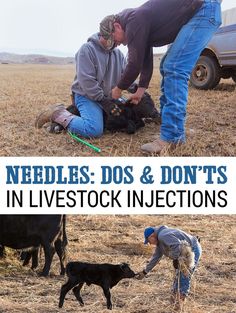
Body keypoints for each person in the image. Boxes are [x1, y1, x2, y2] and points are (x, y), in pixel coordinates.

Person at [99, 0, 222, 154]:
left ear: (116, 26)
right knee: (166, 65)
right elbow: (145, 60)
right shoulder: (137, 21)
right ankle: (172, 126)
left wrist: (118, 89)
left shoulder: (134, 20)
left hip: (203, 9)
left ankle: (172, 136)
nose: (119, 44)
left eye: (115, 40)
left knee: (174, 67)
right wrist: (140, 91)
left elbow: (134, 63)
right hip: (201, 10)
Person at [35, 33, 126, 138]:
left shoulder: (119, 55)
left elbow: (124, 77)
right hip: (87, 96)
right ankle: (58, 114)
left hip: (106, 97)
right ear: (107, 34)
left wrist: (137, 89)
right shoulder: (87, 49)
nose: (120, 43)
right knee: (93, 129)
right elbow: (87, 82)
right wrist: (104, 102)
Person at [137, 225, 202, 311]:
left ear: (152, 236)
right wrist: (145, 272)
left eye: (149, 241)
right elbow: (156, 258)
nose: (150, 243)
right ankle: (174, 304)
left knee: (183, 277)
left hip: (192, 250)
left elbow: (177, 246)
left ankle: (179, 307)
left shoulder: (163, 236)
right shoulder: (160, 241)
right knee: (177, 277)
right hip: (184, 252)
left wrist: (175, 259)